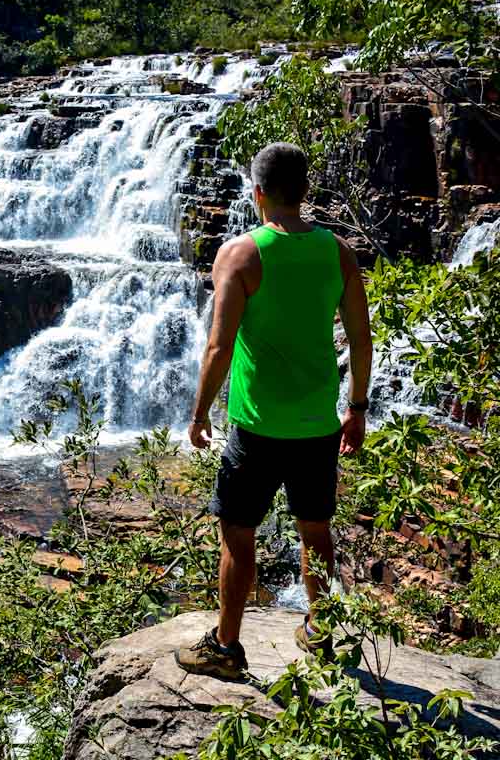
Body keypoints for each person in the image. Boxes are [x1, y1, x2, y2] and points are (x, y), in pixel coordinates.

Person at [175, 141, 372, 680]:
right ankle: (320, 631)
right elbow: (360, 337)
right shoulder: (338, 252)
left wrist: (199, 415)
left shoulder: (241, 254)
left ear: (257, 193)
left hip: (257, 427)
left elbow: (219, 345)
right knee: (317, 530)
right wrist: (356, 407)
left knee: (237, 533)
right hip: (318, 425)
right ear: (304, 192)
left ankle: (227, 646)